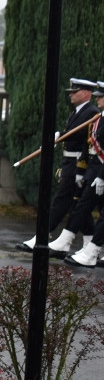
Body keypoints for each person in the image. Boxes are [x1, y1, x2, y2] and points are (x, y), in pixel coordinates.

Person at [17, 78, 99, 255]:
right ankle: (88, 244)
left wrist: (79, 166)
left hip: (78, 161)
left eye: (74, 92)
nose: (70, 95)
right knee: (76, 204)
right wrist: (57, 136)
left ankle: (42, 237)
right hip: (69, 161)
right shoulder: (78, 112)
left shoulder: (91, 112)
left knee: (63, 201)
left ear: (85, 93)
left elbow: (83, 139)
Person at [64, 81, 104, 266]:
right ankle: (89, 249)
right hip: (95, 169)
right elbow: (89, 146)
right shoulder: (99, 118)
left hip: (100, 170)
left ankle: (90, 251)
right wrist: (82, 170)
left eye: (101, 96)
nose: (98, 99)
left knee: (85, 206)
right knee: (84, 206)